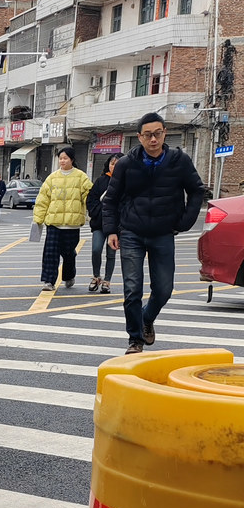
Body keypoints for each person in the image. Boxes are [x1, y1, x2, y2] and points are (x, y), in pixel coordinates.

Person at [102, 112, 205, 354]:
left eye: (157, 134)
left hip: (163, 233)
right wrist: (111, 231)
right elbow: (111, 200)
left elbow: (197, 191)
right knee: (132, 288)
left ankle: (147, 318)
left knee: (164, 289)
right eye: (147, 135)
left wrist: (185, 222)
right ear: (139, 137)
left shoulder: (180, 161)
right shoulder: (127, 164)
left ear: (164, 133)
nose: (153, 140)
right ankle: (135, 339)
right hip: (131, 232)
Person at [32, 147, 92, 292]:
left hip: (72, 225)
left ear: (72, 159)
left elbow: (89, 196)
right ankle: (48, 281)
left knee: (68, 253)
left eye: (65, 158)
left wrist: (95, 212)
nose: (62, 161)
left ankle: (69, 276)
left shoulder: (81, 177)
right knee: (50, 253)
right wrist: (38, 219)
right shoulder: (52, 178)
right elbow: (42, 200)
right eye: (60, 158)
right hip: (54, 223)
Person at [87, 154, 121, 294]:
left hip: (116, 225)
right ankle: (96, 276)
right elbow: (91, 200)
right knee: (96, 249)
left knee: (111, 254)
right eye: (112, 163)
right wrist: (98, 213)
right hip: (99, 223)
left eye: (117, 164)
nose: (114, 166)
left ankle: (107, 281)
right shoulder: (101, 181)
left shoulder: (127, 182)